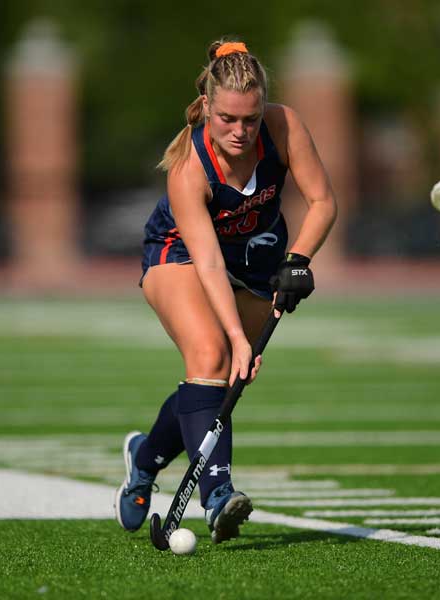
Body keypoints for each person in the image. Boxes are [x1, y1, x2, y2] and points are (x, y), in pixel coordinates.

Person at [114, 39, 337, 541]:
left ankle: (144, 458)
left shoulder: (284, 127)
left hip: (257, 256)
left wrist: (297, 260)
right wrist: (237, 336)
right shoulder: (188, 168)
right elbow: (208, 261)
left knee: (220, 380)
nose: (240, 131)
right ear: (207, 108)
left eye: (251, 120)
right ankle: (219, 495)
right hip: (182, 252)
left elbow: (323, 201)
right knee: (214, 354)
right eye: (228, 119)